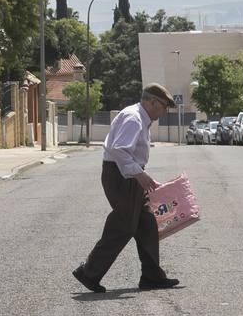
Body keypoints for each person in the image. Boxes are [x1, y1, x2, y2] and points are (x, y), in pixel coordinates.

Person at [73, 83, 181, 294]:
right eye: (163, 106)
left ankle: (152, 276)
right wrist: (139, 174)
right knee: (123, 225)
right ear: (152, 102)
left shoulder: (139, 118)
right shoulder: (134, 118)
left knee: (147, 224)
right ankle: (89, 272)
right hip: (122, 176)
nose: (165, 111)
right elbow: (119, 150)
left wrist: (140, 174)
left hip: (127, 175)